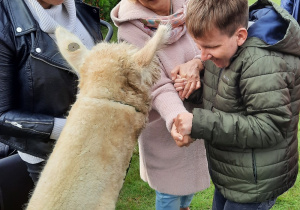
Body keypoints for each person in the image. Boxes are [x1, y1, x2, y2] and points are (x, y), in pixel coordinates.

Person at [171, 0, 300, 209]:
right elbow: (223, 100)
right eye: (199, 46)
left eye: (210, 47)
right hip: (233, 173)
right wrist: (193, 92)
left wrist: (200, 123)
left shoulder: (262, 62)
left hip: (255, 183)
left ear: (240, 36)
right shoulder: (223, 49)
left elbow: (270, 127)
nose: (202, 57)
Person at [0, 0, 104, 209]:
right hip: (49, 158)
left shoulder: (82, 11)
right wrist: (73, 129)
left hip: (98, 145)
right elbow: (2, 115)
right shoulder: (5, 22)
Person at [111, 0, 210, 209]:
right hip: (164, 122)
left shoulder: (189, 5)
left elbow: (210, 42)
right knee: (169, 190)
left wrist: (196, 63)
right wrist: (176, 117)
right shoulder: (130, 28)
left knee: (189, 182)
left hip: (198, 111)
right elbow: (154, 85)